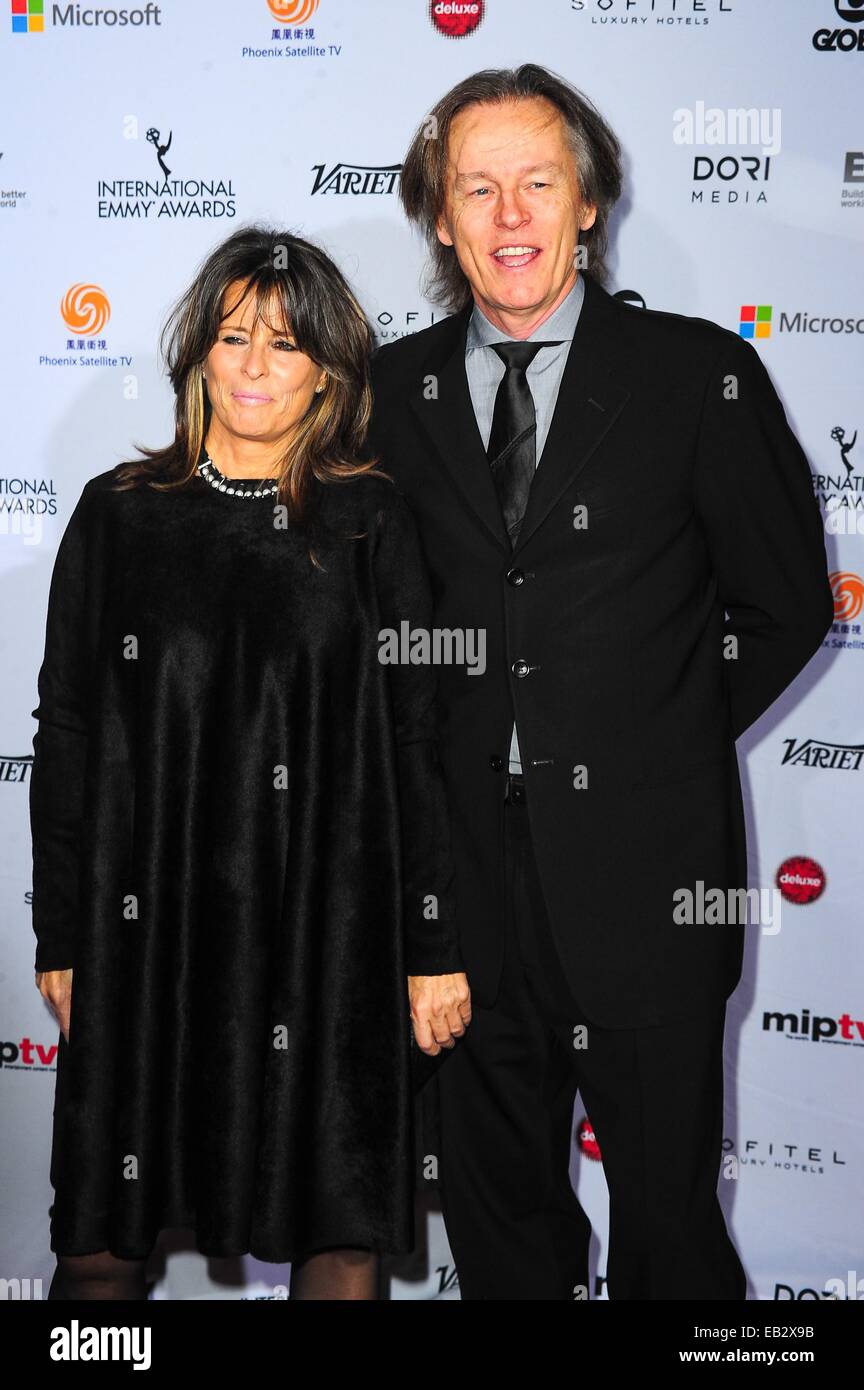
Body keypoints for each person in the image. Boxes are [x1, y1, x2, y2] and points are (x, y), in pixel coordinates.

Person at [368, 64, 834, 1299]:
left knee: (671, 1236)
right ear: (441, 216)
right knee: (501, 1224)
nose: (510, 215)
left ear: (589, 205)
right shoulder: (388, 397)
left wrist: (651, 735)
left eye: (539, 183)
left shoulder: (696, 376)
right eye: (478, 188)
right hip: (458, 892)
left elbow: (786, 605)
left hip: (652, 875)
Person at [30, 224, 470, 1301]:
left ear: (327, 365)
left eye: (284, 341)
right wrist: (64, 930)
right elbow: (69, 734)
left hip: (331, 937)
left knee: (339, 1233)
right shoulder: (120, 515)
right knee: (99, 1243)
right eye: (233, 339)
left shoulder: (371, 520)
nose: (256, 366)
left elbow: (418, 740)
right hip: (147, 934)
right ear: (198, 355)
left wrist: (430, 943)